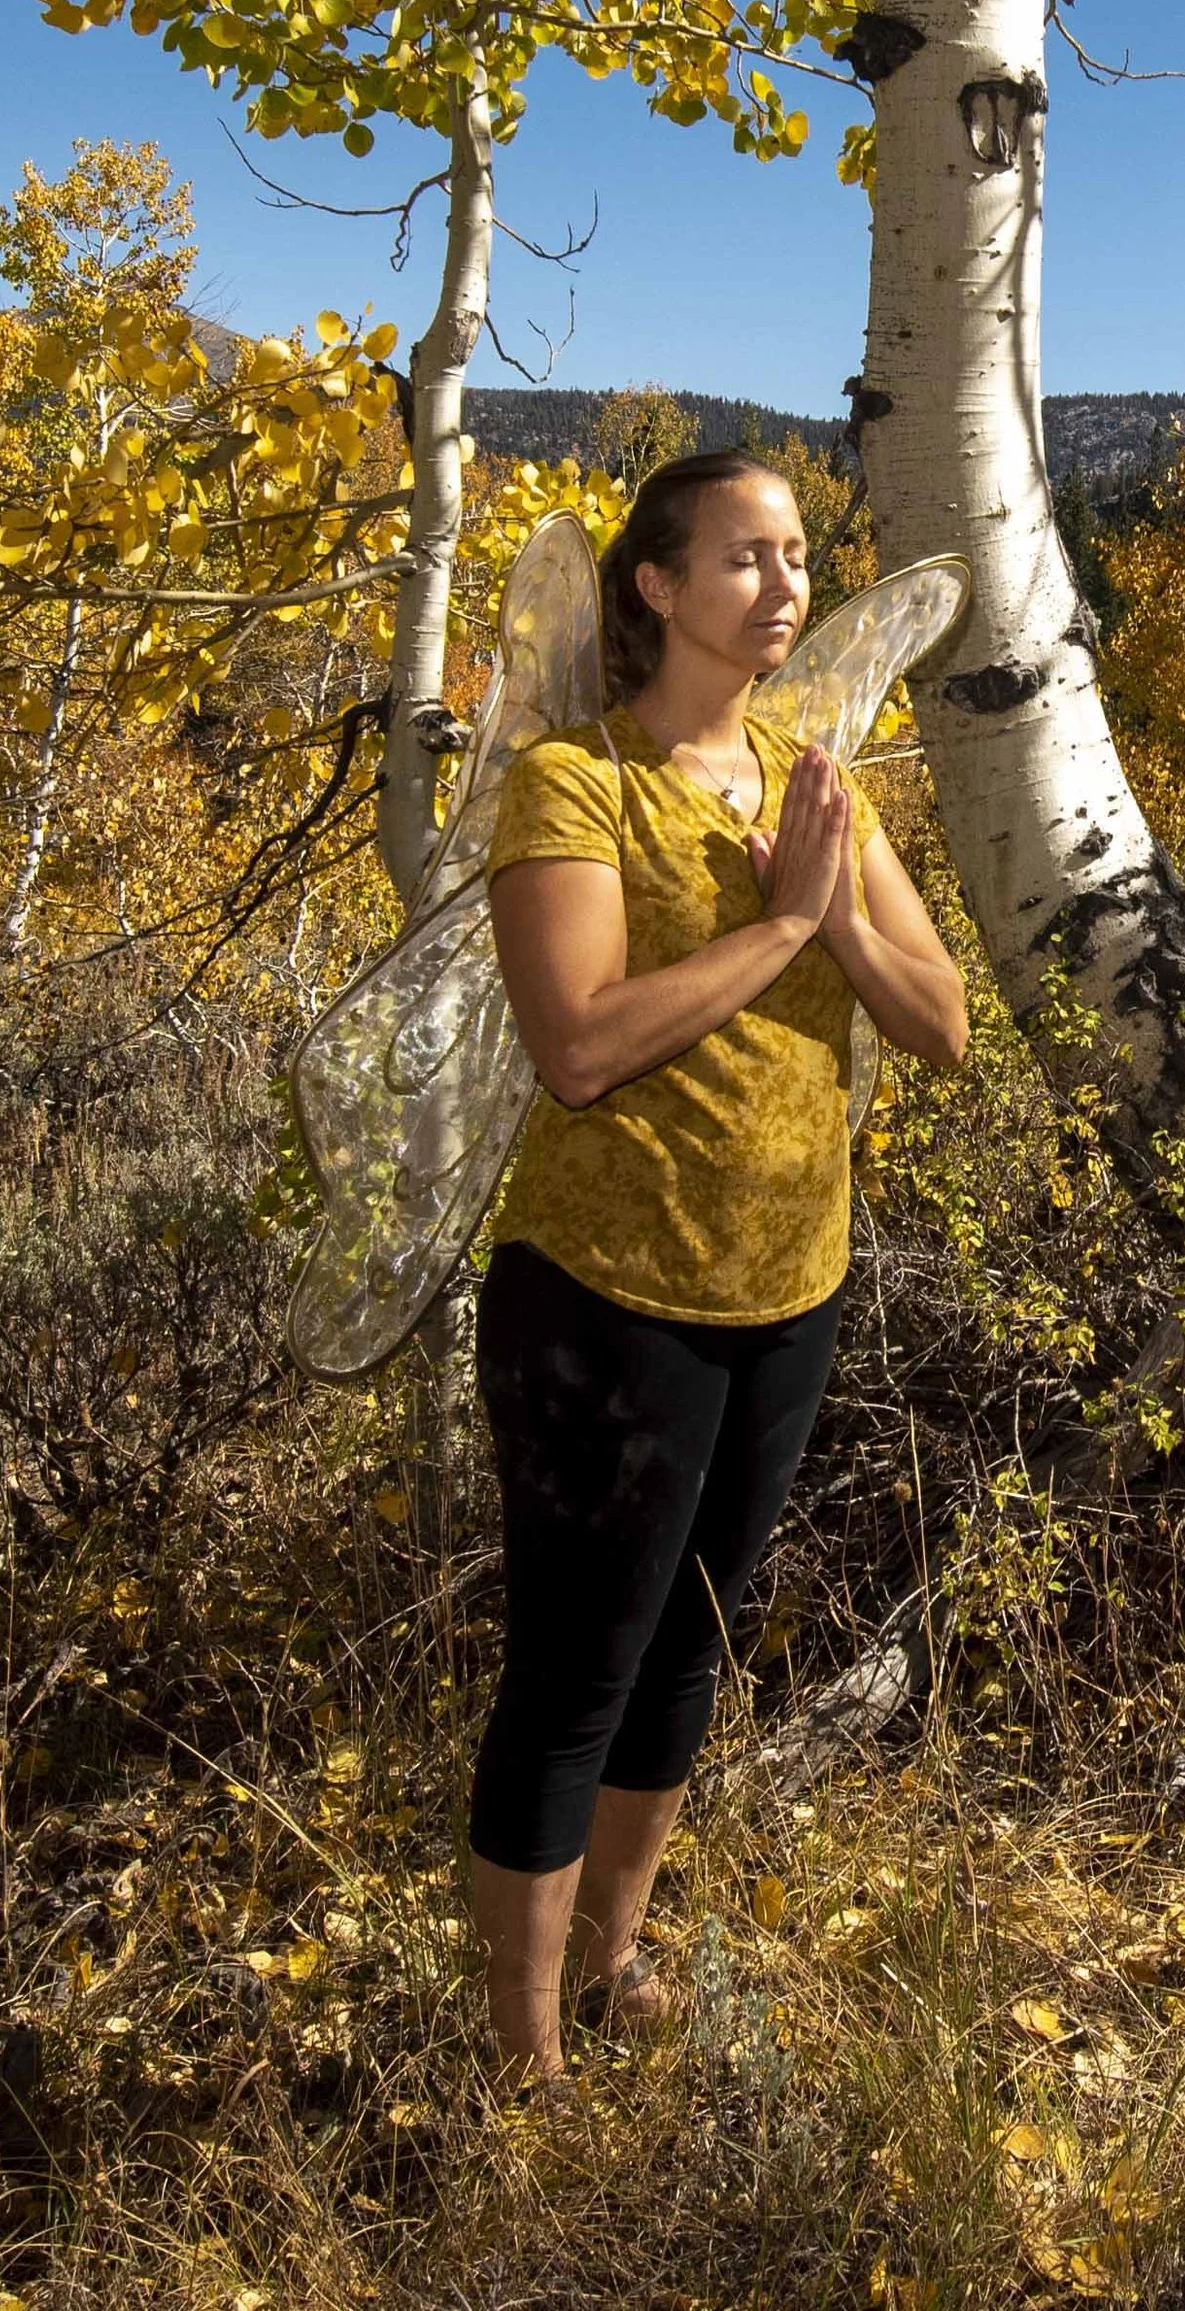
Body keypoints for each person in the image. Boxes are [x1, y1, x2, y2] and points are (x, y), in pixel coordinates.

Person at [468, 448, 969, 2081]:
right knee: (575, 1671)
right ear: (657, 587)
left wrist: (825, 909)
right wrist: (777, 927)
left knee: (691, 1647)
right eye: (746, 556)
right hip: (605, 1300)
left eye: (800, 555)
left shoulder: (820, 785)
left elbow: (945, 1025)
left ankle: (615, 1969)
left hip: (787, 1292)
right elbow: (579, 1044)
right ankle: (524, 2063)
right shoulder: (577, 783)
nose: (786, 583)